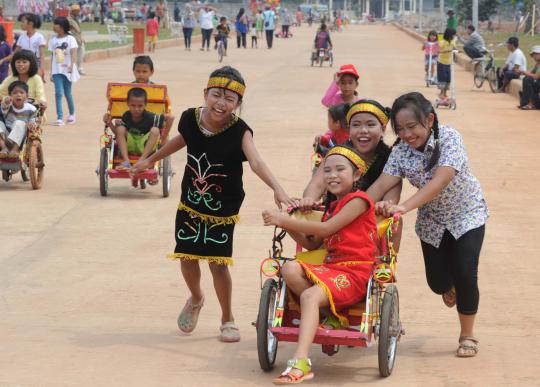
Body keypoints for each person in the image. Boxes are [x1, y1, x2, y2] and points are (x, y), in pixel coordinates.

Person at [130, 66, 294, 343]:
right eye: (216, 95)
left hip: (224, 205)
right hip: (191, 200)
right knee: (187, 256)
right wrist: (151, 160)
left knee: (218, 264)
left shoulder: (240, 130)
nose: (221, 103)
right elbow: (181, 140)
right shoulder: (190, 118)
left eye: (229, 99)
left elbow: (255, 162)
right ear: (206, 94)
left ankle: (227, 318)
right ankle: (196, 298)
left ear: (238, 104)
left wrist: (278, 188)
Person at [368, 92, 488, 358]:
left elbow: (440, 181)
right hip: (432, 221)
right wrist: (348, 209)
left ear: (429, 119)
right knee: (437, 283)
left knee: (466, 272)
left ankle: (467, 335)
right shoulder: (400, 151)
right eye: (400, 129)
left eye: (412, 127)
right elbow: (380, 185)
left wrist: (404, 207)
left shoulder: (449, 137)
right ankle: (450, 285)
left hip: (467, 214)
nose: (407, 135)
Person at [262, 145, 378, 384]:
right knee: (289, 268)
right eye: (327, 171)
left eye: (339, 170)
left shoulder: (360, 200)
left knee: (309, 297)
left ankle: (301, 362)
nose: (332, 175)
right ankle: (331, 315)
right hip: (332, 268)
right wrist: (288, 223)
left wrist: (285, 219)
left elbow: (326, 230)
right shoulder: (331, 208)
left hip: (355, 270)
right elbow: (313, 245)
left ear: (356, 175)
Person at [301, 100, 402, 235]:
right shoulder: (337, 153)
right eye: (356, 125)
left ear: (383, 129)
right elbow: (317, 185)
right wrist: (309, 199)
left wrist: (384, 205)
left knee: (394, 222)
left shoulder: (391, 160)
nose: (363, 130)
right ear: (349, 129)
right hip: (333, 220)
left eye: (371, 125)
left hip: (369, 224)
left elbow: (391, 198)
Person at [103, 87, 164, 170]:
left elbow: (170, 119)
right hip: (130, 145)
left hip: (145, 146)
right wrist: (109, 123)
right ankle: (126, 162)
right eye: (133, 105)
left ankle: (141, 161)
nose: (136, 109)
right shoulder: (126, 115)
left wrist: (164, 139)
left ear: (145, 105)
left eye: (140, 106)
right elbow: (118, 135)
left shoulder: (152, 117)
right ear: (128, 104)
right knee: (120, 128)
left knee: (155, 130)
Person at [130, 56, 175, 140]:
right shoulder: (127, 89)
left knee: (170, 117)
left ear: (151, 72)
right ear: (133, 71)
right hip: (132, 121)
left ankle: (163, 140)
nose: (141, 74)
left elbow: (167, 107)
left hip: (151, 122)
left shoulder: (158, 90)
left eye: (144, 71)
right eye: (138, 71)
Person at [49, 17, 79, 126]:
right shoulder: (53, 40)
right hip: (57, 71)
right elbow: (53, 56)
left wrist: (72, 65)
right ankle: (60, 117)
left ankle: (72, 114)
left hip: (67, 70)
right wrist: (51, 72)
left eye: (55, 24)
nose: (53, 26)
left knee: (67, 93)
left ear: (61, 27)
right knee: (58, 93)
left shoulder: (70, 39)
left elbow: (73, 53)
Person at [0, 81, 38, 158]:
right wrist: (6, 100)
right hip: (6, 136)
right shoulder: (7, 106)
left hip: (20, 139)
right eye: (14, 93)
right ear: (10, 96)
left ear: (27, 96)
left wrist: (31, 124)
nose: (18, 95)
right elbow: (4, 104)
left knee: (19, 123)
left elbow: (33, 122)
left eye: (21, 92)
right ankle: (4, 148)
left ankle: (14, 150)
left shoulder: (31, 109)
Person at [8, 13, 47, 80]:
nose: (21, 24)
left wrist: (42, 69)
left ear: (30, 24)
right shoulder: (22, 37)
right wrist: (3, 60)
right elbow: (15, 53)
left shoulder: (39, 37)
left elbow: (42, 54)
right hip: (23, 65)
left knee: (35, 83)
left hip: (35, 64)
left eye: (23, 22)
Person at [437, 28, 457, 103]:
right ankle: (441, 93)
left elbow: (455, 48)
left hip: (449, 62)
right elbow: (438, 51)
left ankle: (445, 93)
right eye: (453, 35)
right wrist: (445, 51)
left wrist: (456, 51)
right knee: (443, 77)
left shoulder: (452, 42)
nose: (454, 36)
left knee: (448, 78)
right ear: (449, 35)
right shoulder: (442, 42)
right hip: (441, 62)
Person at [517, 45, 540, 110]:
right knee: (526, 79)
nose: (534, 57)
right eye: (533, 55)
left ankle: (531, 104)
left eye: (535, 54)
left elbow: (536, 76)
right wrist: (522, 72)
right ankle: (525, 103)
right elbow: (531, 73)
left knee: (528, 80)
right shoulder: (538, 64)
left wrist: (524, 72)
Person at [68, 4, 86, 75]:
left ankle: (79, 68)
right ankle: (75, 68)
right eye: (76, 11)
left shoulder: (76, 19)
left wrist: (82, 38)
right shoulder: (69, 20)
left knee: (81, 55)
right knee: (73, 55)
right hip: (73, 40)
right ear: (72, 11)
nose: (78, 12)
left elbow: (79, 31)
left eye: (78, 11)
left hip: (79, 40)